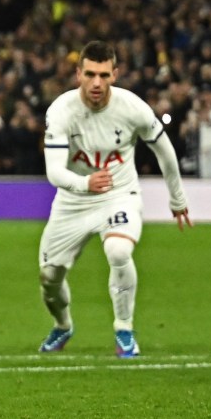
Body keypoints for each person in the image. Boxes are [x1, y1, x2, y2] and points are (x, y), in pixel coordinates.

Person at [37, 40, 191, 358]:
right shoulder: (61, 111)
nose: (97, 83)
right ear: (78, 73)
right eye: (90, 74)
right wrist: (85, 183)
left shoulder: (132, 108)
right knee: (49, 277)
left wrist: (177, 199)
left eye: (104, 75)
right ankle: (63, 325)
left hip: (119, 195)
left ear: (115, 74)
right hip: (73, 200)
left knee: (119, 250)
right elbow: (54, 172)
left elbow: (164, 150)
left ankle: (124, 329)